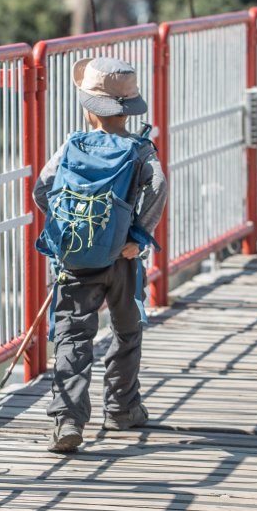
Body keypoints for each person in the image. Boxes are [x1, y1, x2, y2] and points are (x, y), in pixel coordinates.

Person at [33, 57, 167, 454]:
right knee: (126, 331)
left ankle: (67, 422)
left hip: (76, 260)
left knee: (73, 338)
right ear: (128, 109)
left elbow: (42, 189)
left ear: (88, 108)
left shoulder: (72, 145)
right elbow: (158, 187)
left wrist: (71, 229)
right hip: (123, 259)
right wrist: (138, 236)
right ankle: (122, 408)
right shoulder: (140, 148)